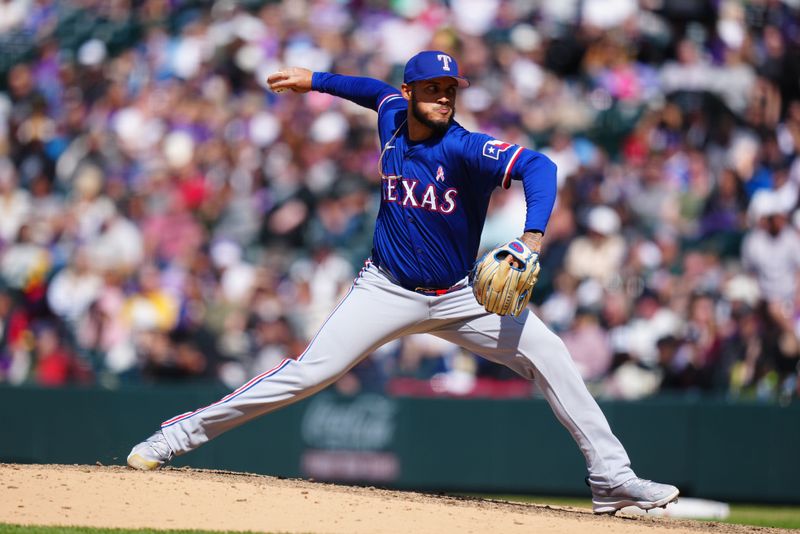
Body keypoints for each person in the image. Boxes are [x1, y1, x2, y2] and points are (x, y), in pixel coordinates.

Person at [127, 50, 679, 514]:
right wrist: (315, 80)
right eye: (433, 89)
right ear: (410, 91)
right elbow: (368, 88)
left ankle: (610, 477)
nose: (444, 97)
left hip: (463, 296)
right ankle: (176, 436)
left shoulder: (464, 147)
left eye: (451, 89)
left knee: (551, 353)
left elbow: (541, 168)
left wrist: (531, 239)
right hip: (385, 289)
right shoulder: (392, 114)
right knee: (306, 374)